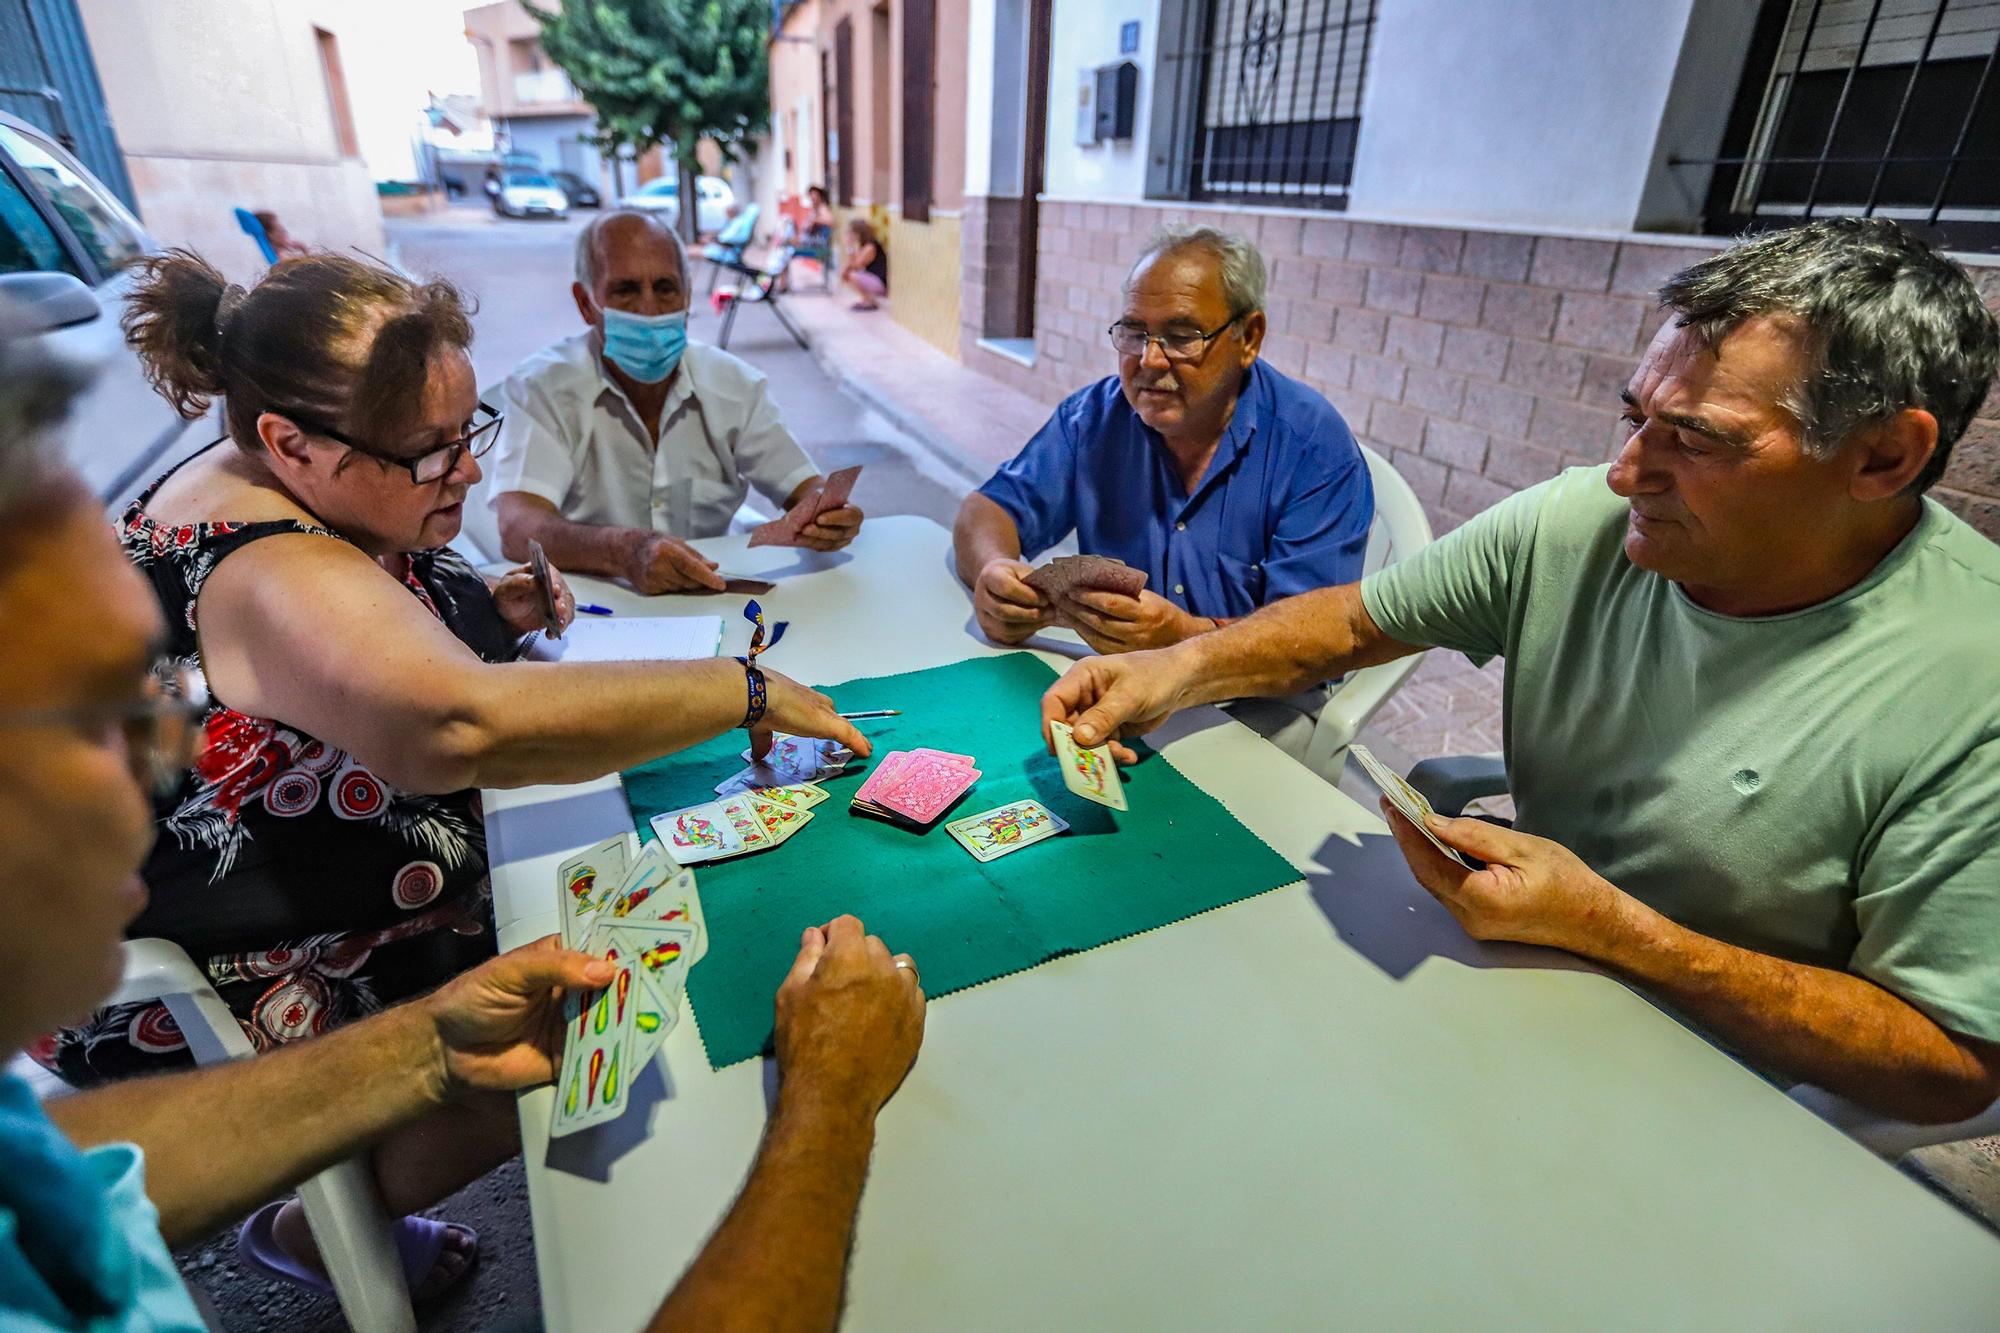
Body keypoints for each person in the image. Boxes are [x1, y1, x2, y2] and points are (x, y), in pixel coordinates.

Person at [0, 320, 926, 1331]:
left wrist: (430, 1049)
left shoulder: (28, 1159)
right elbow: (462, 721)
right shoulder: (262, 562)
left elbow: (72, 1167)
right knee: (614, 956)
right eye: (102, 716)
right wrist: (827, 1102)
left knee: (586, 952)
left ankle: (331, 1209)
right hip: (288, 937)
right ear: (291, 441)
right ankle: (336, 1212)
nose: (159, 764)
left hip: (361, 887)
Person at [1042, 218, 2000, 1125]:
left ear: (1883, 456)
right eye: (1635, 417)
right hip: (1511, 988)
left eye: (1697, 438)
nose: (1627, 472)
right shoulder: (1574, 521)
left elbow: (1952, 1064)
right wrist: (1173, 668)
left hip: (1711, 1093)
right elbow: (1350, 620)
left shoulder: (1972, 679)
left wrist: (1622, 934)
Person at [955, 224, 1374, 655]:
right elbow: (988, 509)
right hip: (1120, 680)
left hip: (1253, 703)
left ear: (1248, 338)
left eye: (1182, 337)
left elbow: (1316, 639)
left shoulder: (1314, 450)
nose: (1149, 360)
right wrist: (995, 571)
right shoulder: (1095, 419)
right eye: (1135, 333)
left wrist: (1183, 638)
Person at [489, 209, 863, 592]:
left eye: (666, 288)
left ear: (686, 296)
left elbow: (804, 489)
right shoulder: (544, 387)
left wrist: (828, 515)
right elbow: (517, 526)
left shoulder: (735, 385)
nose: (649, 310)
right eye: (626, 290)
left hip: (714, 597)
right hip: (591, 607)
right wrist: (621, 551)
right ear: (586, 303)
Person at [839, 217, 887, 312]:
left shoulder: (870, 247)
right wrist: (850, 248)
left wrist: (849, 246)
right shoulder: (863, 245)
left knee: (852, 275)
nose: (849, 236)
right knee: (847, 274)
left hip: (880, 284)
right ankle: (865, 299)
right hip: (873, 280)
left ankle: (869, 301)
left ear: (858, 233)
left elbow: (856, 266)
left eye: (851, 233)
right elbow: (852, 262)